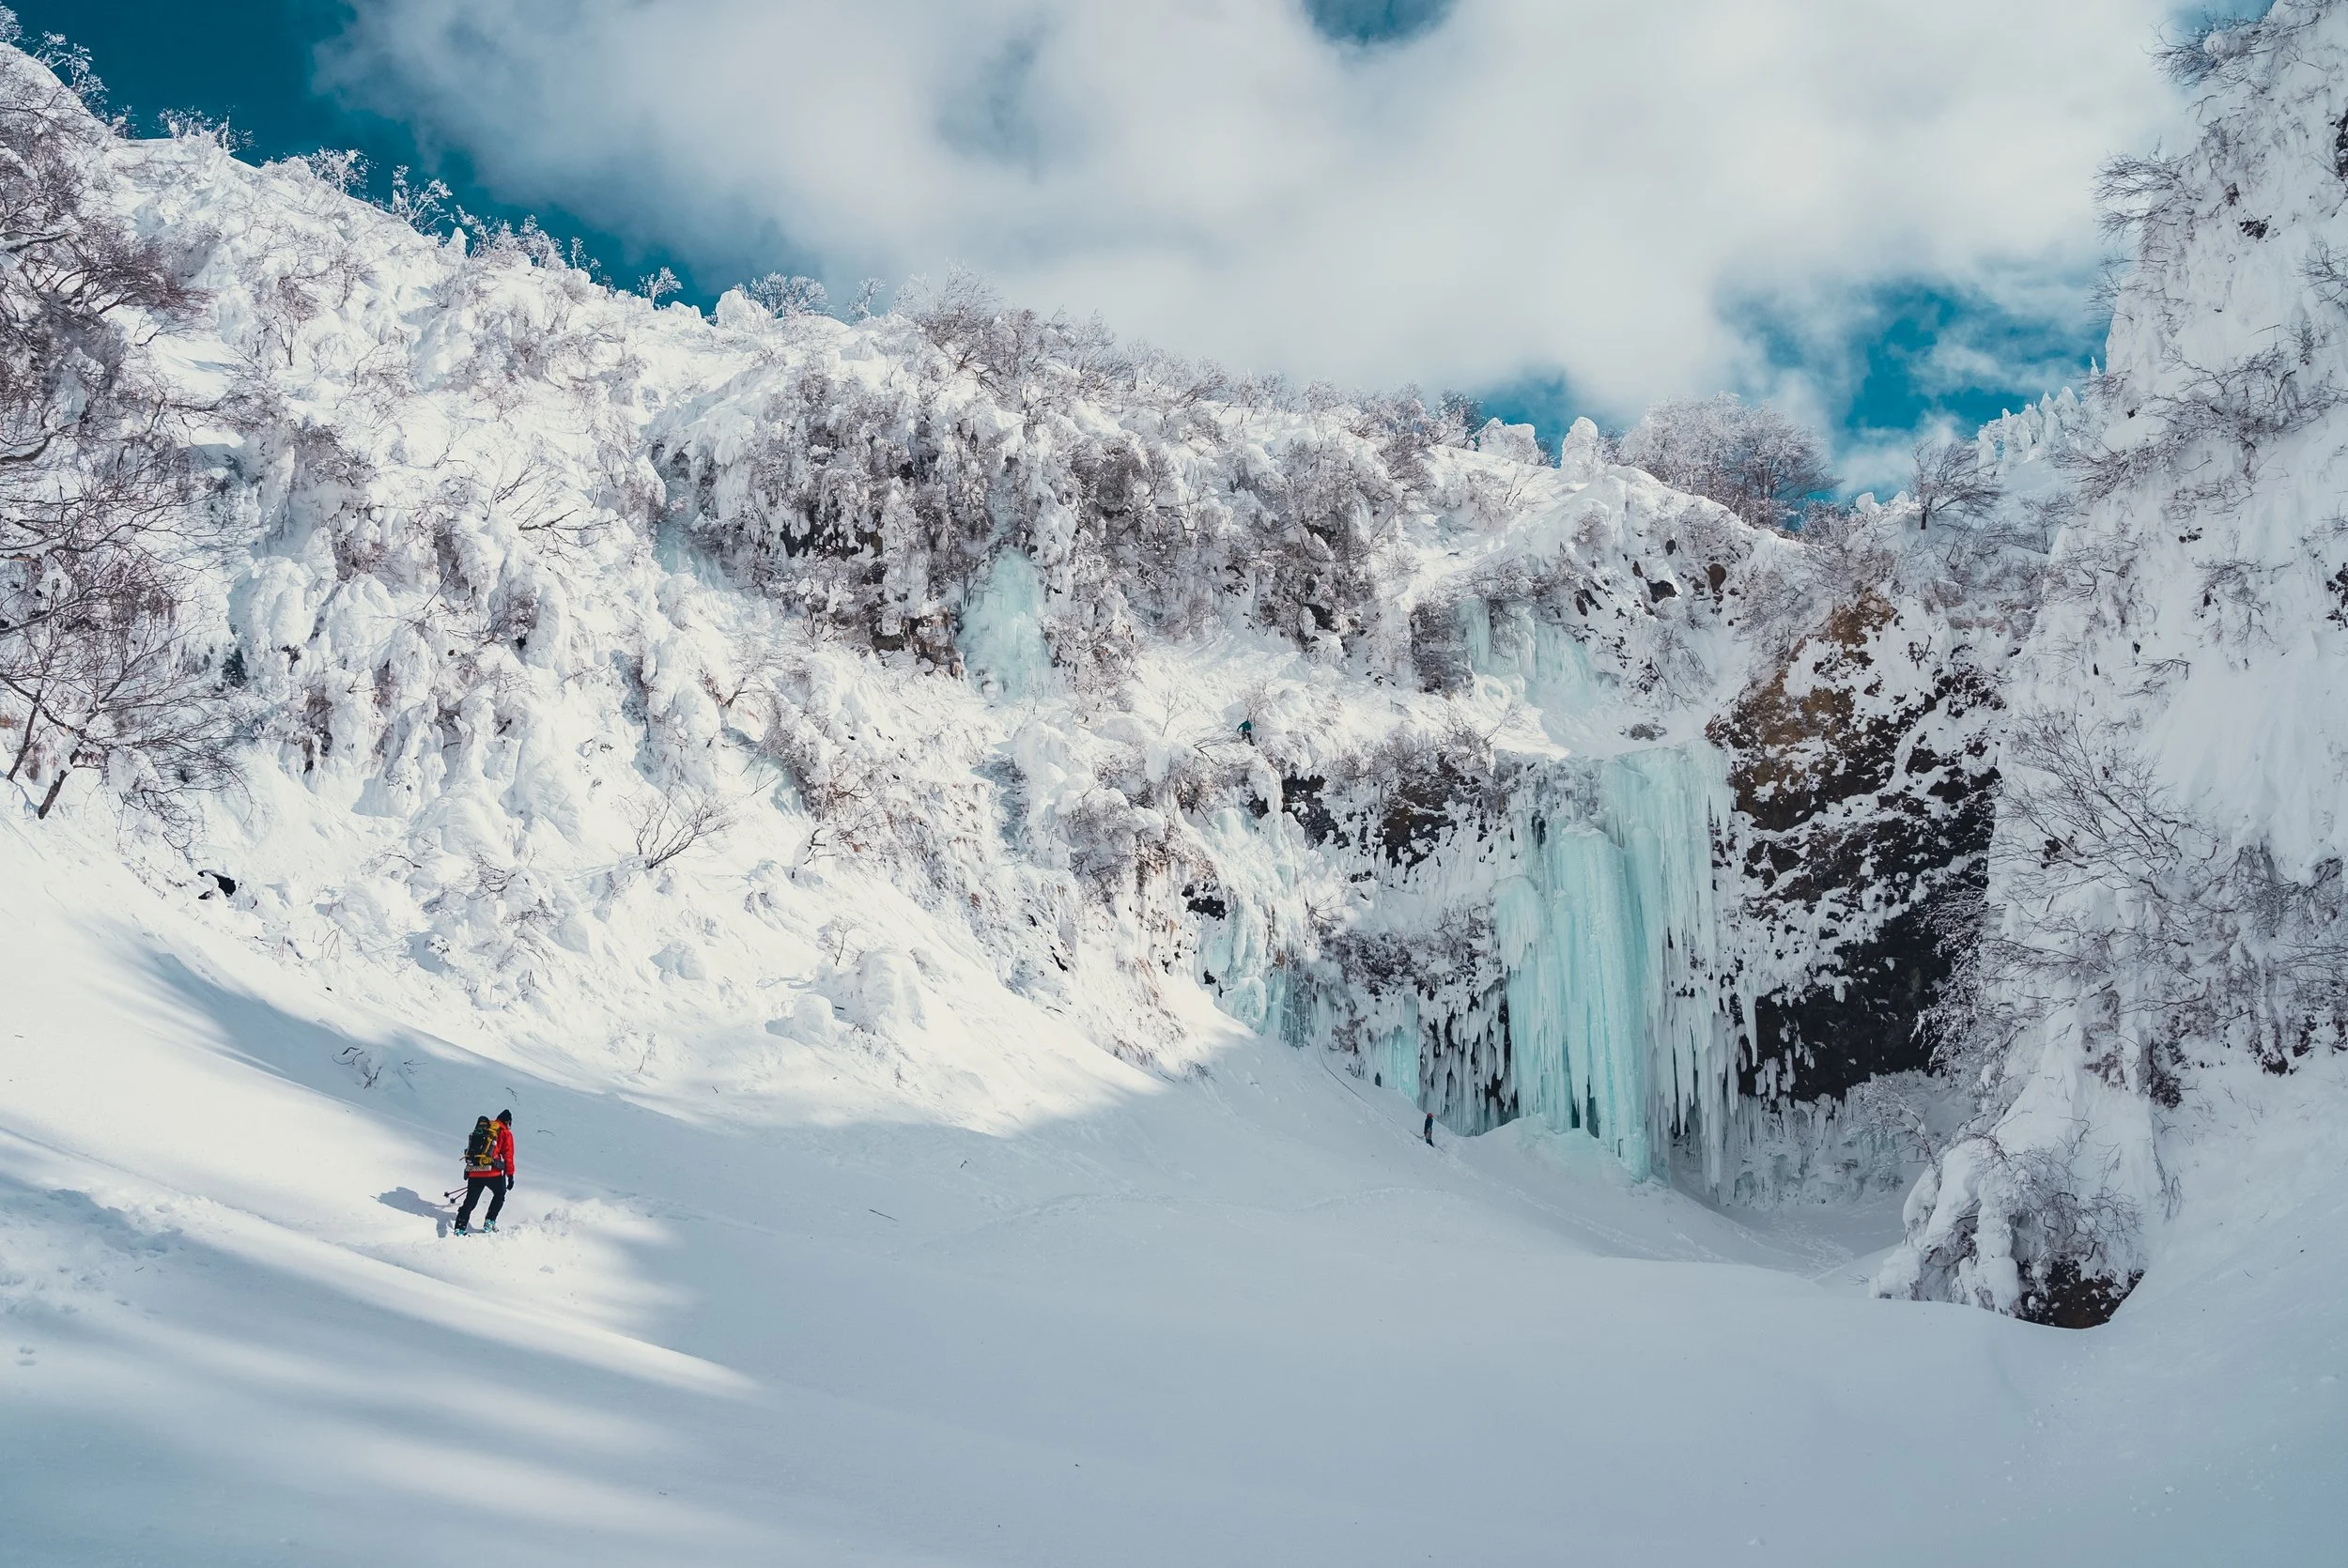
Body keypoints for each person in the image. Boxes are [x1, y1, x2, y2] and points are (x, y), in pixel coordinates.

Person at [454, 1114, 508, 1234]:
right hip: (492, 1172)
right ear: (507, 1122)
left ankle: (459, 1227)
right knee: (500, 1194)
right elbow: (508, 1155)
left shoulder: (479, 1131)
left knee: (470, 1201)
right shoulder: (503, 1133)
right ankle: (490, 1221)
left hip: (474, 1171)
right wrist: (510, 1174)